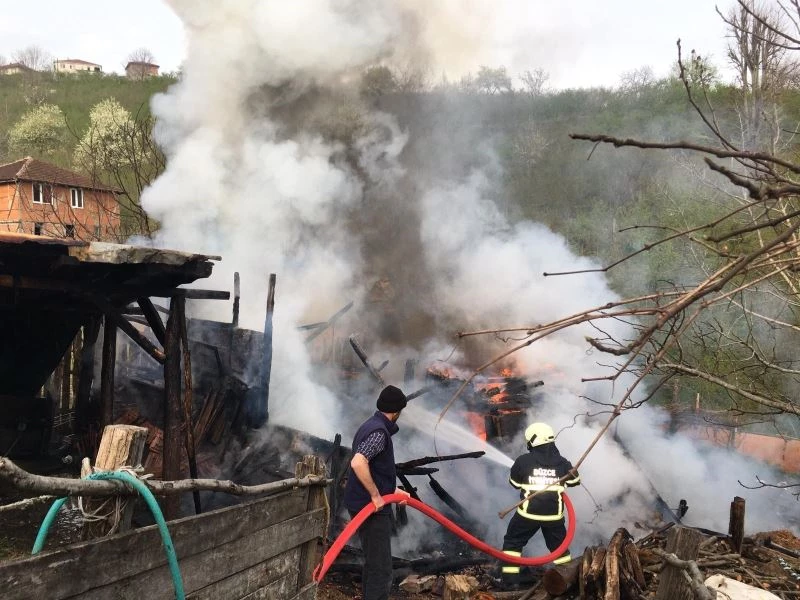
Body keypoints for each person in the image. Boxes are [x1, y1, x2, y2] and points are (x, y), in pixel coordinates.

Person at [343, 385, 411, 600]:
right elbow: (358, 462)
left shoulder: (370, 425)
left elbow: (375, 468)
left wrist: (393, 491)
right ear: (396, 411)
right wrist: (375, 495)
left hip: (363, 503)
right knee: (381, 570)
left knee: (373, 564)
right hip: (370, 508)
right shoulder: (379, 432)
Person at [501, 422, 581, 589]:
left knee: (513, 543)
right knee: (559, 549)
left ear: (533, 440)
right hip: (554, 516)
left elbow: (514, 483)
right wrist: (568, 473)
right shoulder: (562, 462)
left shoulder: (523, 461)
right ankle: (567, 578)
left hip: (527, 515)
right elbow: (575, 481)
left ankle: (509, 582)